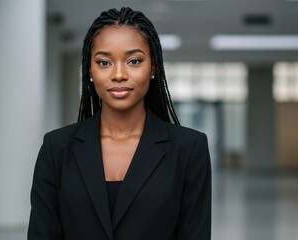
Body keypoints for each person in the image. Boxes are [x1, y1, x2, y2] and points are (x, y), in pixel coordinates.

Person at [28, 7, 211, 240]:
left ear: (153, 67)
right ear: (90, 71)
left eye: (134, 61)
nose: (118, 74)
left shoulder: (189, 149)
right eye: (104, 63)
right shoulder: (57, 148)